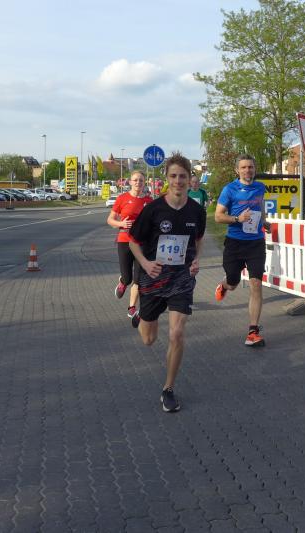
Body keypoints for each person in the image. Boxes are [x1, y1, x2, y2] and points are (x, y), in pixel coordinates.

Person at [128, 153, 206, 413]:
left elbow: (199, 239)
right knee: (149, 339)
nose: (178, 181)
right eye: (173, 176)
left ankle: (168, 389)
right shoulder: (153, 209)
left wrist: (196, 260)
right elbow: (133, 242)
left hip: (181, 278)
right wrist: (145, 263)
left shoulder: (197, 211)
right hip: (153, 278)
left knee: (177, 334)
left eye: (182, 176)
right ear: (166, 178)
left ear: (189, 178)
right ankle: (141, 314)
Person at [213, 154, 269, 347]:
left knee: (256, 284)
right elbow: (218, 216)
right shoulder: (229, 189)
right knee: (233, 282)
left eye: (250, 167)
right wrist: (238, 219)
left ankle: (253, 331)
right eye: (243, 167)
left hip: (256, 243)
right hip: (235, 242)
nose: (247, 170)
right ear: (237, 170)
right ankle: (224, 285)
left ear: (254, 169)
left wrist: (264, 221)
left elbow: (260, 207)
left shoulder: (260, 187)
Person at [106, 171, 152, 319]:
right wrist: (121, 224)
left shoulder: (149, 201)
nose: (138, 182)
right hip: (125, 240)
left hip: (142, 243)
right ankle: (123, 282)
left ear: (144, 183)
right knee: (128, 277)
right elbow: (110, 220)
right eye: (135, 180)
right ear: (130, 182)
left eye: (141, 180)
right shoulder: (122, 198)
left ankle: (131, 307)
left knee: (138, 278)